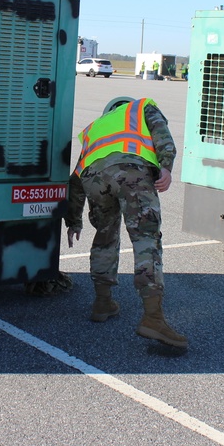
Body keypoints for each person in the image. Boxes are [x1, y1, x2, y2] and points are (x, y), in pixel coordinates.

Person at [64, 96, 187, 349]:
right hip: (132, 172)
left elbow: (75, 180)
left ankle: (102, 302)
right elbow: (162, 135)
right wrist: (166, 167)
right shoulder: (141, 107)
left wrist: (73, 220)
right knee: (146, 239)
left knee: (105, 236)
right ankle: (153, 318)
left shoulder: (94, 128)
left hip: (95, 179)